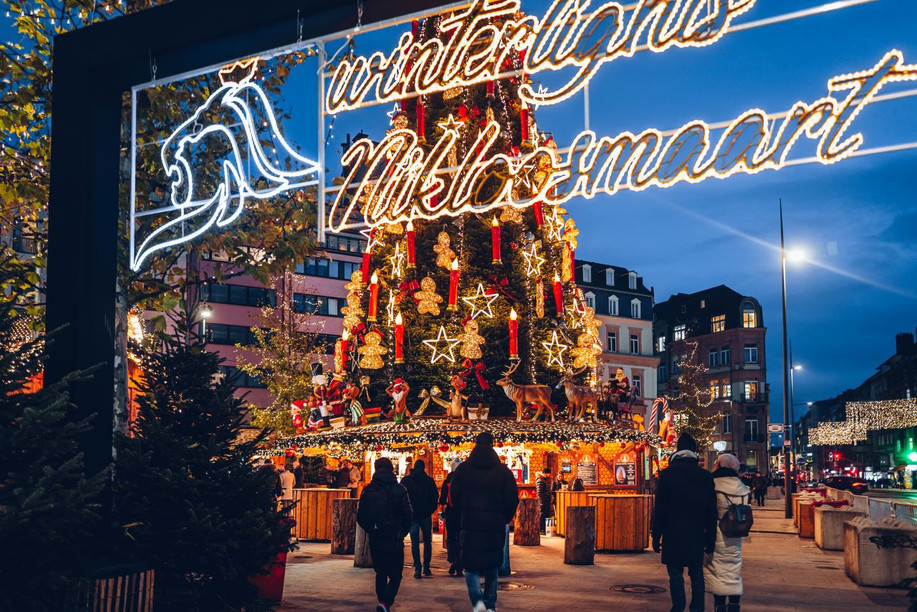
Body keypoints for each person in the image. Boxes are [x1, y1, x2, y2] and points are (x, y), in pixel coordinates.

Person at [450, 432, 519, 612]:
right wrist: (505, 517)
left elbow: (454, 498)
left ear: (475, 444)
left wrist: (462, 514)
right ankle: (490, 604)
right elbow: (512, 498)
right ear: (492, 445)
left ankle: (477, 601)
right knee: (492, 565)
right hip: (494, 525)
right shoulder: (503, 471)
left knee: (470, 566)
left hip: (470, 524)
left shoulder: (463, 470)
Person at [651, 433, 717, 612]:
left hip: (672, 533)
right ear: (694, 452)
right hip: (697, 533)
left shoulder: (667, 475)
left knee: (675, 573)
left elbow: (660, 509)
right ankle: (697, 608)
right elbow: (712, 514)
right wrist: (710, 541)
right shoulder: (705, 477)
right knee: (696, 573)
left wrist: (656, 536)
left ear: (678, 451)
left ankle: (678, 607)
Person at [357, 457, 413, 612]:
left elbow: (361, 516)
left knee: (380, 573)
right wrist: (402, 532)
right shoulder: (400, 489)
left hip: (376, 538)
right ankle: (386, 603)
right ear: (392, 470)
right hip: (394, 539)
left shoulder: (368, 490)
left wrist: (371, 529)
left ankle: (382, 601)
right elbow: (408, 515)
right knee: (396, 574)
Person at [705, 454, 750, 612]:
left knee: (717, 572)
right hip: (735, 535)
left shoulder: (713, 484)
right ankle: (734, 606)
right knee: (733, 570)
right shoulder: (742, 487)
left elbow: (708, 512)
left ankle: (719, 606)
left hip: (717, 533)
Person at [401, 459, 439, 578]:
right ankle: (426, 566)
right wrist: (430, 510)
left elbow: (402, 496)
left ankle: (417, 567)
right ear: (424, 468)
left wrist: (407, 511)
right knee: (427, 541)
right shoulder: (429, 481)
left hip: (413, 515)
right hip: (425, 515)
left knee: (414, 542)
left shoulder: (406, 481)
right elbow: (434, 497)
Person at [440, 470, 462, 576]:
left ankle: (452, 560)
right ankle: (459, 563)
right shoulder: (463, 483)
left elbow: (442, 500)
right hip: (461, 514)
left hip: (450, 514)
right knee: (461, 538)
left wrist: (441, 511)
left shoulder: (447, 483)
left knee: (451, 538)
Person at [536, 468, 553, 535]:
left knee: (546, 514)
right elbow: (540, 492)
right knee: (542, 514)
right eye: (549, 473)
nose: (549, 475)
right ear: (545, 473)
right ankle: (541, 529)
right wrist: (542, 501)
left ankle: (545, 529)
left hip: (546, 500)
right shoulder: (540, 480)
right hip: (543, 501)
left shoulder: (545, 479)